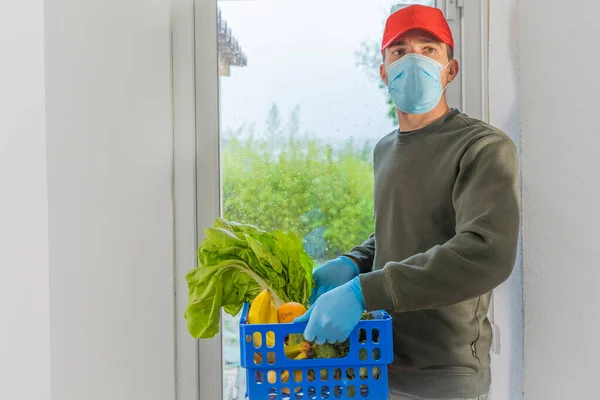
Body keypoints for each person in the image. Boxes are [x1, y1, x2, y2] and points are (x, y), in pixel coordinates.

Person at [295, 5, 519, 400]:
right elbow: (399, 229)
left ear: (450, 70)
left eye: (428, 49)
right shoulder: (385, 150)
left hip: (445, 375)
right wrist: (355, 261)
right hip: (378, 362)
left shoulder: (482, 147)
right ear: (384, 72)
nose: (412, 59)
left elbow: (486, 252)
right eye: (398, 51)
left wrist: (363, 291)